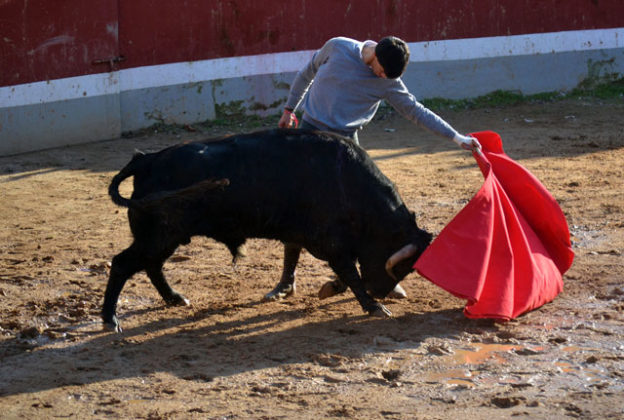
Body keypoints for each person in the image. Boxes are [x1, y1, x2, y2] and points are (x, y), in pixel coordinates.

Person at [264, 35, 481, 302]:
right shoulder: (338, 47)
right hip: (310, 134)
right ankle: (288, 281)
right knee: (297, 206)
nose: (382, 77)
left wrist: (456, 137)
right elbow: (307, 72)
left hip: (346, 145)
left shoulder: (387, 81)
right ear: (375, 53)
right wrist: (289, 108)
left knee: (361, 212)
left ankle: (365, 276)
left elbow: (416, 111)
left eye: (387, 76)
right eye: (381, 70)